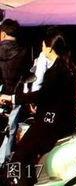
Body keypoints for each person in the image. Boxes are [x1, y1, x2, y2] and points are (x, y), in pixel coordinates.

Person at [0, 31, 76, 186]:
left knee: (19, 156)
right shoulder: (68, 68)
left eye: (43, 46)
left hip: (50, 123)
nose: (42, 49)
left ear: (50, 48)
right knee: (28, 156)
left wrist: (12, 98)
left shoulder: (56, 71)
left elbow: (42, 95)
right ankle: (30, 181)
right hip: (60, 121)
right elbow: (54, 97)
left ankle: (18, 183)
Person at [0, 19, 30, 167]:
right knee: (11, 129)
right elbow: (28, 76)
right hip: (15, 96)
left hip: (1, 92)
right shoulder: (24, 51)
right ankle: (3, 161)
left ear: (3, 33)